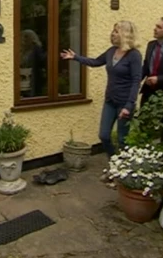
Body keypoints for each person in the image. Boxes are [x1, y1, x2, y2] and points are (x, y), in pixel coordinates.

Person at [60, 21, 142, 160]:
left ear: (125, 34)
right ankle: (114, 160)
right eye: (113, 30)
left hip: (125, 103)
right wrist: (75, 57)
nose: (113, 33)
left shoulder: (134, 55)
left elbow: (136, 81)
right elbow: (96, 62)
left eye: (116, 31)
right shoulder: (111, 51)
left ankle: (124, 168)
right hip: (110, 100)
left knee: (123, 139)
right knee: (103, 135)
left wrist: (129, 105)